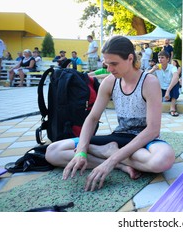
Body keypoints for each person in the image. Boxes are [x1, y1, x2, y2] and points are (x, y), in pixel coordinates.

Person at [45, 35, 175, 191]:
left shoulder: (149, 82)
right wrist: (80, 152)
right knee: (52, 152)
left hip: (144, 141)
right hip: (117, 138)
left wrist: (111, 160)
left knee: (163, 160)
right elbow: (92, 118)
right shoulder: (109, 82)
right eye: (107, 64)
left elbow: (153, 130)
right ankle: (121, 164)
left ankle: (109, 155)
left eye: (114, 64)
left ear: (130, 58)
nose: (109, 69)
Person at [149, 50, 180, 117]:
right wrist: (152, 70)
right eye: (159, 57)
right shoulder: (156, 67)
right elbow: (145, 76)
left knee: (176, 82)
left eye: (162, 57)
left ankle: (172, 108)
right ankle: (153, 108)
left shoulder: (172, 67)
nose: (160, 59)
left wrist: (168, 91)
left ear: (168, 59)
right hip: (161, 90)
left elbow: (176, 77)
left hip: (170, 90)